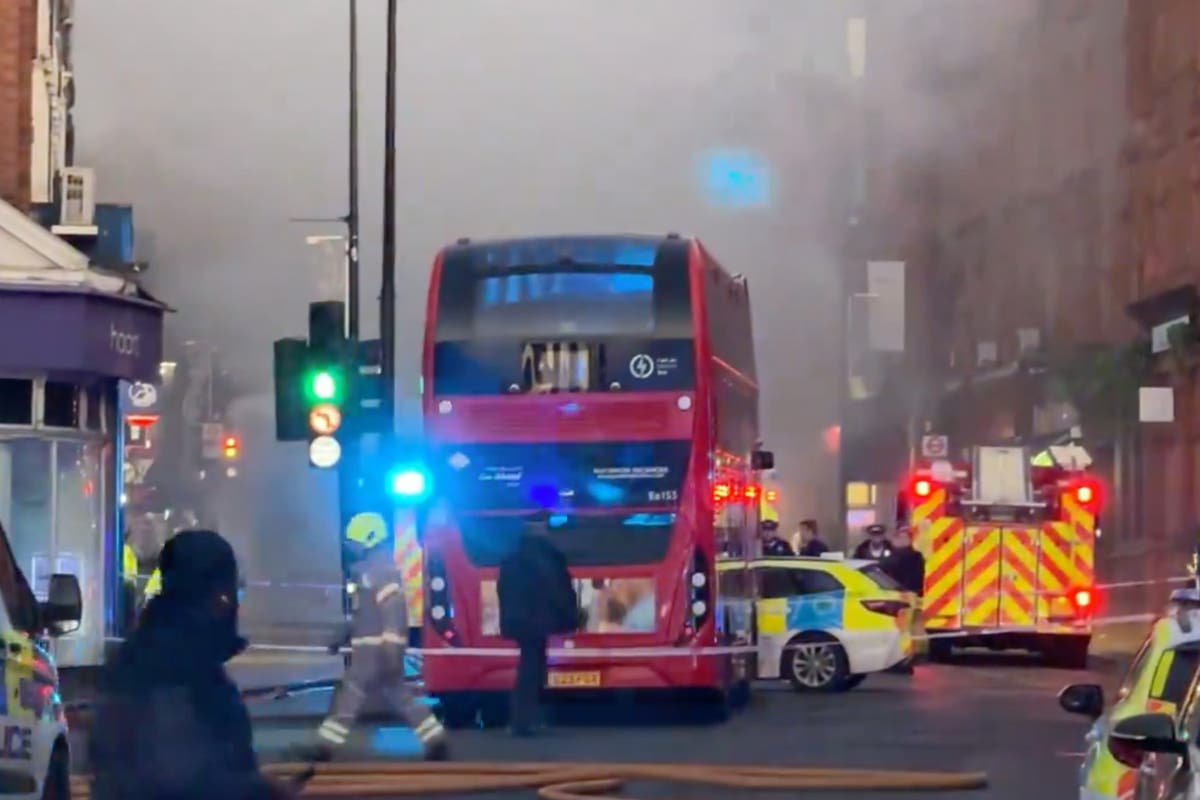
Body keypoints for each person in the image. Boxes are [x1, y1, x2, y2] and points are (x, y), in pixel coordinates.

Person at [89, 529, 297, 800]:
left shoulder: (153, 652)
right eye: (229, 589)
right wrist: (260, 790)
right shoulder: (176, 664)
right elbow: (176, 776)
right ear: (216, 594)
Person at [310, 522, 448, 761]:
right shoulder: (370, 571)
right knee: (400, 695)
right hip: (378, 650)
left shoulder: (378, 572)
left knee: (349, 696)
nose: (350, 547)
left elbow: (392, 611)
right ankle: (435, 740)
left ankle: (324, 747)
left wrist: (391, 648)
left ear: (368, 540)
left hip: (372, 652)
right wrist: (342, 637)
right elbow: (361, 615)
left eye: (353, 542)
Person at [498, 509, 577, 736]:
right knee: (532, 669)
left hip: (520, 621)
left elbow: (503, 590)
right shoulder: (546, 556)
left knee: (529, 667)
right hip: (538, 621)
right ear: (542, 527)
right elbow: (558, 590)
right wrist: (569, 616)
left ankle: (525, 719)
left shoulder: (512, 556)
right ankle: (524, 721)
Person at [881, 525, 925, 595]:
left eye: (904, 537)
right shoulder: (888, 552)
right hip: (889, 590)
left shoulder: (915, 556)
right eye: (898, 536)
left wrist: (904, 590)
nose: (900, 539)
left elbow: (915, 577)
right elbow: (883, 570)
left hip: (906, 592)